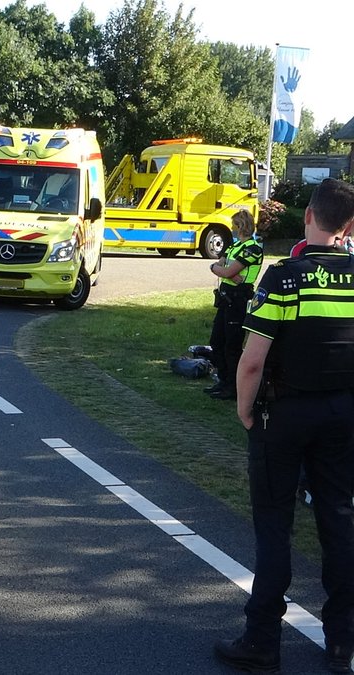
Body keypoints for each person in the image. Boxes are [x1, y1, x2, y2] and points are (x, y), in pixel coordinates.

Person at [214, 178, 354, 674]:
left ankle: (262, 640)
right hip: (342, 416)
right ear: (350, 226)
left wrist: (245, 410)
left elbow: (252, 361)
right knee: (339, 521)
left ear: (308, 218)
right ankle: (342, 641)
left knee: (275, 526)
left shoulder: (285, 276)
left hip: (285, 414)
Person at [204, 210, 263, 400]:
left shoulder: (253, 249)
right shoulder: (233, 247)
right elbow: (219, 267)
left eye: (234, 225)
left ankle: (233, 387)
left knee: (233, 345)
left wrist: (223, 271)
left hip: (238, 299)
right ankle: (223, 380)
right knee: (216, 341)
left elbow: (229, 270)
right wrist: (218, 269)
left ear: (241, 226)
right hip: (225, 298)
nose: (232, 228)